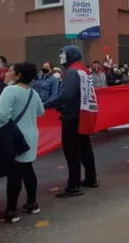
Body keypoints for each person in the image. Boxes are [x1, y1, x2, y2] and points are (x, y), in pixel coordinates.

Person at [0, 62, 45, 223]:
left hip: (14, 137)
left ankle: (11, 211)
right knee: (27, 169)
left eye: (9, 71)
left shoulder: (10, 90)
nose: (6, 72)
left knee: (14, 174)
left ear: (18, 75)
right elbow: (41, 112)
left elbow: (1, 116)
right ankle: (32, 202)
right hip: (31, 135)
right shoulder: (32, 92)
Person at [45, 46, 98, 198]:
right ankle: (91, 177)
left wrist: (47, 104)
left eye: (63, 56)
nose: (61, 59)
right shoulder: (83, 70)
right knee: (85, 148)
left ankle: (73, 185)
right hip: (83, 114)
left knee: (72, 151)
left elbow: (66, 95)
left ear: (70, 56)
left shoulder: (72, 72)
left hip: (72, 117)